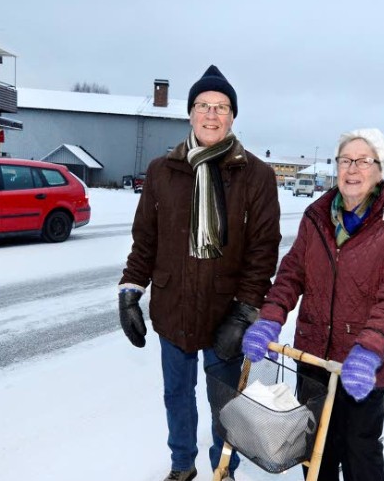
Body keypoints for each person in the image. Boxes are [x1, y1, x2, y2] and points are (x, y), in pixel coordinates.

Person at [118, 65, 282, 481]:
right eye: (204, 106)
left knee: (223, 399)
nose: (212, 114)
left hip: (225, 311)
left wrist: (245, 311)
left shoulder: (257, 176)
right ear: (190, 114)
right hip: (173, 306)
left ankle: (222, 468)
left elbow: (263, 251)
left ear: (232, 117)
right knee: (177, 394)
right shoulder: (162, 170)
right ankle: (181, 465)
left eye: (221, 107)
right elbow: (145, 240)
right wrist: (130, 291)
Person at [241, 128, 384, 481]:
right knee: (317, 455)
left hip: (360, 365)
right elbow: (292, 274)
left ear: (379, 170)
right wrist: (269, 320)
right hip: (314, 359)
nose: (352, 169)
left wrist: (369, 351)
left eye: (363, 161)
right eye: (345, 160)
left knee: (360, 453)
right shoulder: (317, 215)